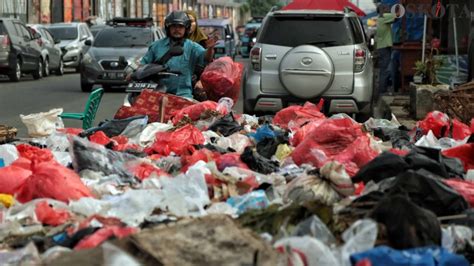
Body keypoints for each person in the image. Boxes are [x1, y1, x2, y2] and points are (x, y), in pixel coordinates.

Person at [140, 11, 216, 99]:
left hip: (183, 95)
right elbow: (143, 64)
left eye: (180, 27)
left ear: (186, 29)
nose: (177, 29)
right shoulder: (156, 46)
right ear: (168, 28)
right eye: (174, 26)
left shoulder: (192, 46)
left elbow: (206, 58)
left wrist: (210, 48)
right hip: (157, 93)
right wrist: (133, 73)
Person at [375, 4, 397, 97]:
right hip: (384, 47)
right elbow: (397, 15)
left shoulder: (379, 19)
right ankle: (382, 91)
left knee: (383, 69)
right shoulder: (384, 17)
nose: (388, 9)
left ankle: (382, 90)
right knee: (386, 69)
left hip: (381, 47)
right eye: (386, 8)